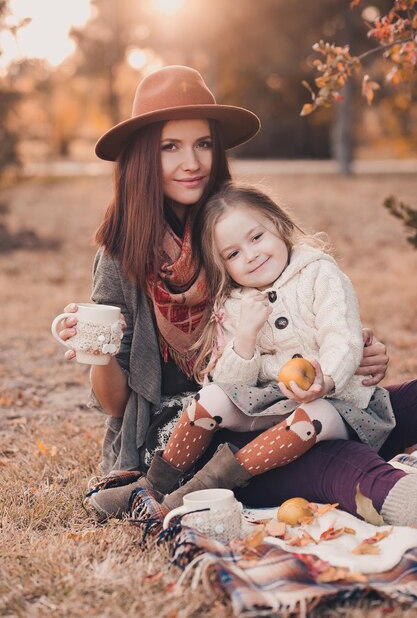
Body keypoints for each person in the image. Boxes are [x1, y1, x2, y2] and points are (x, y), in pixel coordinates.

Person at [57, 65, 417, 527]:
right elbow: (116, 404)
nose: (193, 162)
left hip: (279, 400)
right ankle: (394, 496)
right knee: (336, 455)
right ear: (143, 156)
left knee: (394, 404)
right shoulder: (120, 256)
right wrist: (98, 354)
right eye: (171, 147)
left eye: (203, 144)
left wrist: (355, 353)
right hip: (191, 439)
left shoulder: (237, 226)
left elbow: (303, 306)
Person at [118, 182, 397, 523]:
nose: (250, 255)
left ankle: (195, 492)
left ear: (278, 226)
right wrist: (246, 336)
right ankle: (151, 486)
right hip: (273, 403)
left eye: (256, 237)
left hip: (338, 404)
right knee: (213, 399)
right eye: (233, 254)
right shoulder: (235, 303)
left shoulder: (319, 274)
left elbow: (343, 338)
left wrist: (326, 379)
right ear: (223, 266)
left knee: (313, 415)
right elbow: (230, 385)